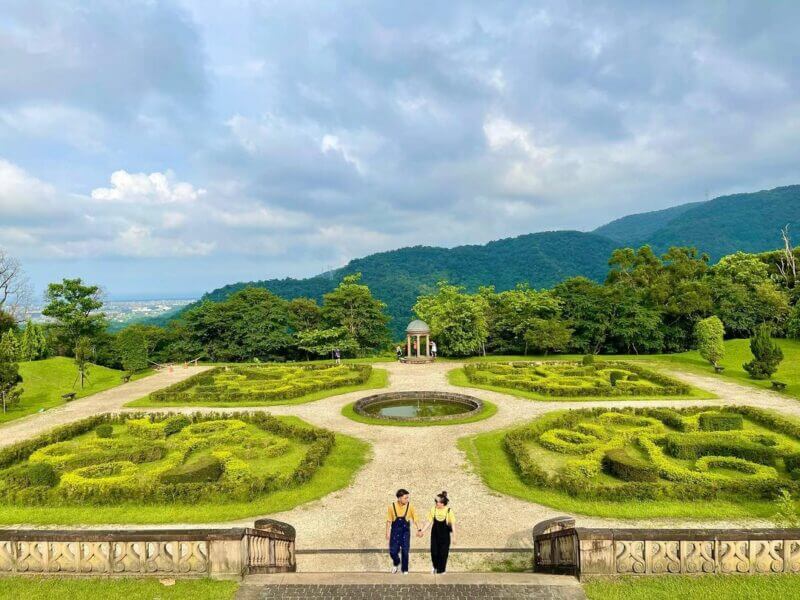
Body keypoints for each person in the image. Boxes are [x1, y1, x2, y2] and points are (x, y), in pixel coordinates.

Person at [386, 488, 422, 574]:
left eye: (407, 498)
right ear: (399, 498)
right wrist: (387, 532)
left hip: (405, 532)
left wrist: (419, 529)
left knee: (405, 551)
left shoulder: (410, 507)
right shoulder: (391, 507)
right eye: (405, 498)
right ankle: (396, 562)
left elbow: (415, 519)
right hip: (394, 532)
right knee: (393, 551)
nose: (407, 499)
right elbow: (388, 521)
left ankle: (405, 569)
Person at [419, 491, 454, 574]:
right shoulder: (433, 509)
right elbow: (428, 521)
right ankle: (435, 567)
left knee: (443, 553)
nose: (435, 503)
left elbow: (452, 525)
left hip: (445, 536)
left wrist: (454, 536)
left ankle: (441, 570)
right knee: (434, 552)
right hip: (435, 534)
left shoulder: (448, 511)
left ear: (442, 503)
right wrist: (422, 531)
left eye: (437, 502)